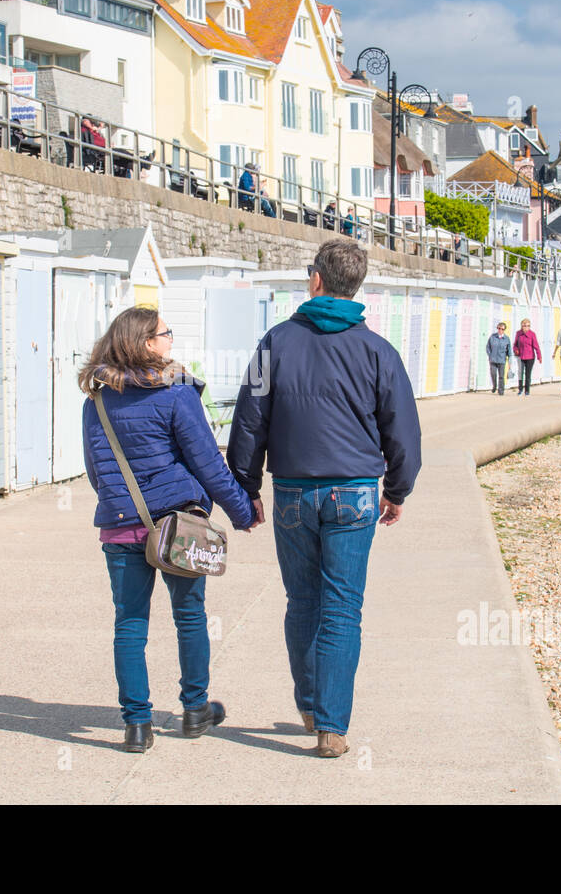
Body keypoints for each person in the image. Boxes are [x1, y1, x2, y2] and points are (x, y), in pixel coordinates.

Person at [227, 239, 422, 759]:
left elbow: (248, 422)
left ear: (316, 280)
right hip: (355, 493)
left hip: (292, 489)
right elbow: (402, 430)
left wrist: (244, 489)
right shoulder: (379, 351)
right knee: (342, 609)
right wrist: (397, 489)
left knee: (303, 602)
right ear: (355, 286)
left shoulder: (274, 344)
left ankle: (311, 704)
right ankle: (330, 728)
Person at [81, 307, 258, 753]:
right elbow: (208, 464)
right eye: (165, 334)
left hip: (121, 527)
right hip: (178, 526)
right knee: (190, 616)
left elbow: (95, 471)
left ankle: (137, 726)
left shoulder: (97, 400)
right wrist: (241, 511)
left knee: (130, 625)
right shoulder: (177, 394)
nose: (170, 341)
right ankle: (195, 709)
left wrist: (122, 503)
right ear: (146, 343)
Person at [512, 318, 540, 395]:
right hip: (521, 356)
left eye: (528, 326)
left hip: (530, 357)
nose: (526, 327)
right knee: (520, 372)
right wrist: (516, 350)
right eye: (524, 326)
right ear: (521, 326)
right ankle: (520, 389)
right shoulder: (518, 333)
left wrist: (539, 356)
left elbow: (536, 346)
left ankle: (527, 390)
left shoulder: (532, 334)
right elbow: (515, 345)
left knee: (528, 374)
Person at [486, 322, 511, 396]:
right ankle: (494, 386)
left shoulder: (506, 339)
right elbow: (488, 347)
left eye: (502, 329)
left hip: (502, 360)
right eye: (499, 328)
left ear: (504, 330)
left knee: (501, 376)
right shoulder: (492, 337)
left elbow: (509, 351)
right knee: (493, 374)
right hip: (493, 360)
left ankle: (501, 390)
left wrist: (510, 361)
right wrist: (490, 355)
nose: (500, 330)